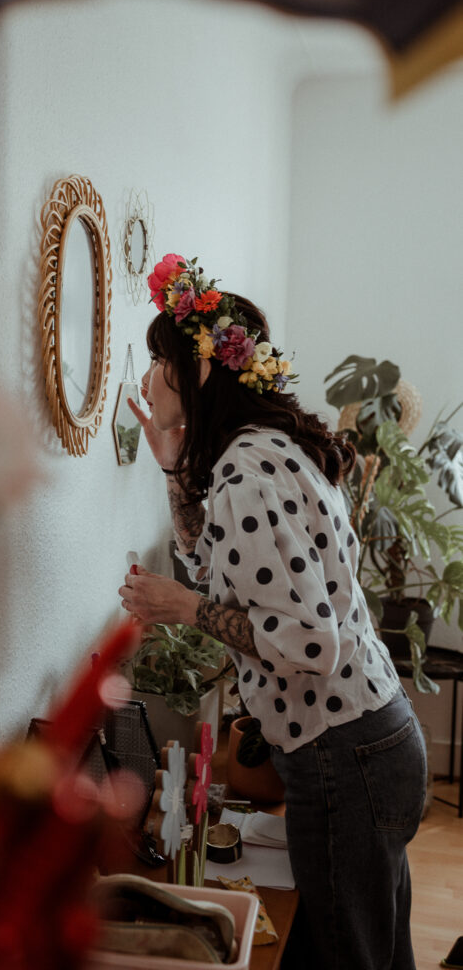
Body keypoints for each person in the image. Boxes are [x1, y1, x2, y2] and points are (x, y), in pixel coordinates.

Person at [118, 253, 427, 970]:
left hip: (343, 755)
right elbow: (215, 568)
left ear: (195, 375)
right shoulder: (257, 453)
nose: (144, 379)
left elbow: (307, 643)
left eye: (155, 362)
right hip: (367, 742)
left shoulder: (246, 473)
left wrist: (183, 609)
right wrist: (171, 470)